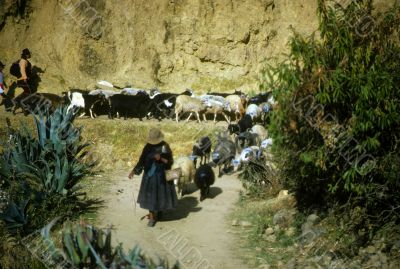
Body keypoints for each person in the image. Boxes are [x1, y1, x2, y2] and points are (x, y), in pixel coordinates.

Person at [128, 128, 178, 227]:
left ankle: (159, 212)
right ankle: (152, 218)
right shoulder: (147, 147)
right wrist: (133, 171)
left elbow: (170, 162)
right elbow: (141, 161)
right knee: (150, 196)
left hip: (161, 176)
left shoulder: (165, 146)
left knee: (160, 195)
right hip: (149, 176)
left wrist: (161, 158)